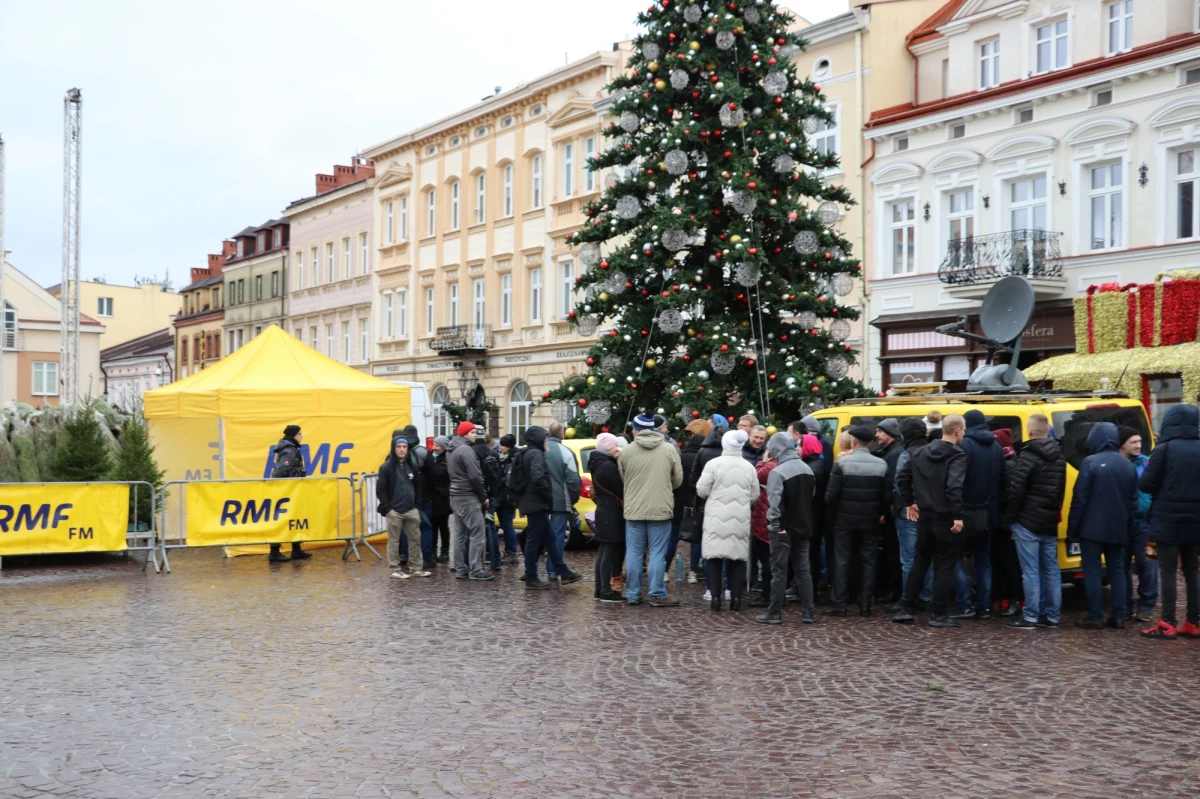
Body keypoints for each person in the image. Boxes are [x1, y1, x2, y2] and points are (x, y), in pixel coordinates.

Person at [892, 413, 968, 628]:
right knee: (945, 564)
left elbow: (902, 478)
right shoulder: (957, 455)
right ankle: (938, 613)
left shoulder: (919, 452)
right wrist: (957, 515)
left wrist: (909, 502)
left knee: (920, 561)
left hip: (925, 515)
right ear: (958, 431)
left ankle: (906, 607)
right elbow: (954, 486)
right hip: (945, 516)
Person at [1067, 422, 1136, 629]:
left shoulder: (1090, 462)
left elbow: (1080, 498)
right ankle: (1119, 615)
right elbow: (1133, 502)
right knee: (1118, 571)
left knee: (1092, 571)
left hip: (1092, 528)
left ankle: (1095, 616)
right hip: (1119, 528)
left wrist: (1074, 529)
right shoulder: (1127, 465)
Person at [1139, 404, 1200, 639]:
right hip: (1196, 519)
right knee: (1192, 570)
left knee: (1167, 570)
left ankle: (1167, 622)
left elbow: (1145, 483)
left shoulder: (1164, 449)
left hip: (1168, 518)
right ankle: (1193, 622)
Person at [1004, 414, 1065, 629]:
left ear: (1030, 432)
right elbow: (1060, 492)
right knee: (1051, 569)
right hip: (1048, 519)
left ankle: (1030, 615)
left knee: (1030, 570)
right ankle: (1052, 616)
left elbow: (1017, 491)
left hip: (1027, 521)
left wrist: (1010, 518)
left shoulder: (1027, 456)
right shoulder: (1060, 456)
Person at [619, 413, 684, 607]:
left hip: (634, 508)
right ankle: (657, 593)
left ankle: (632, 594)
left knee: (634, 552)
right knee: (657, 552)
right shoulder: (669, 449)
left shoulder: (627, 451)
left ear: (637, 430)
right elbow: (678, 479)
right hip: (660, 508)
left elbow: (624, 477)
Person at [824, 426, 889, 617]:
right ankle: (865, 604)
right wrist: (882, 513)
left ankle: (839, 603)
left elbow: (830, 496)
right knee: (869, 560)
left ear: (853, 442)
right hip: (870, 519)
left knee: (842, 560)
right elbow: (887, 496)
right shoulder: (881, 464)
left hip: (844, 520)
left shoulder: (843, 464)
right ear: (870, 442)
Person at [755, 432, 817, 625]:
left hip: (782, 529)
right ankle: (808, 612)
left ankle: (774, 612)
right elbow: (811, 498)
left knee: (779, 571)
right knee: (803, 570)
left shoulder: (777, 472)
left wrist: (775, 524)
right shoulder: (808, 469)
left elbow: (775, 503)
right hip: (804, 526)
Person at [950, 409, 1006, 620]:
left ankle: (965, 603)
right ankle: (984, 606)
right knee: (984, 561)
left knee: (953, 557)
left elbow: (957, 481)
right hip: (988, 514)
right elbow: (1002, 482)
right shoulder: (997, 447)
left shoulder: (964, 446)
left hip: (964, 512)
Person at [696, 430, 760, 611]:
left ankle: (715, 597)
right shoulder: (749, 467)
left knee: (714, 557)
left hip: (715, 515)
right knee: (737, 558)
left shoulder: (713, 464)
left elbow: (701, 490)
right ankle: (736, 599)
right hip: (740, 516)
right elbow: (755, 494)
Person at [515, 427, 581, 589]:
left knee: (550, 538)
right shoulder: (536, 454)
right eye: (544, 439)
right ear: (538, 439)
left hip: (532, 502)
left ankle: (563, 571)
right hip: (537, 503)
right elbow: (538, 478)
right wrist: (548, 496)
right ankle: (531, 576)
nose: (547, 441)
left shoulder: (525, 452)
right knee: (534, 540)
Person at [1118, 427, 1158, 623]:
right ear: (1122, 444)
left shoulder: (1147, 463)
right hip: (1123, 523)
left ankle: (1146, 605)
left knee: (1148, 564)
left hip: (1145, 523)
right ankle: (1126, 606)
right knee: (1122, 565)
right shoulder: (1117, 464)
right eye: (1133, 441)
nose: (1138, 445)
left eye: (1139, 441)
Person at [377, 435, 430, 579]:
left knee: (415, 539)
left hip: (411, 509)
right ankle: (394, 569)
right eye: (399, 447)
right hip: (394, 511)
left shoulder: (411, 465)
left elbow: (418, 485)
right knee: (394, 541)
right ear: (394, 448)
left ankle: (415, 568)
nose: (401, 450)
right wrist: (388, 508)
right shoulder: (386, 467)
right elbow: (380, 489)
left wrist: (417, 505)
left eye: (404, 447)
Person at [446, 421, 494, 582]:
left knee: (459, 534)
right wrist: (483, 496)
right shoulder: (466, 450)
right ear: (465, 434)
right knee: (477, 533)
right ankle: (476, 569)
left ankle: (460, 569)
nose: (475, 435)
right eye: (472, 432)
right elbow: (475, 476)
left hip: (455, 496)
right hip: (468, 496)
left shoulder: (451, 449)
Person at [892, 418, 932, 609]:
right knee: (927, 557)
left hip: (908, 512)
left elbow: (900, 482)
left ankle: (909, 598)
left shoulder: (906, 454)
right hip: (930, 510)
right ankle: (926, 596)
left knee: (909, 558)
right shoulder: (933, 451)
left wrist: (910, 502)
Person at [990, 428, 1023, 618]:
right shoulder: (1010, 462)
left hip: (1004, 523)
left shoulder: (1008, 465)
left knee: (1006, 562)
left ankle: (1013, 599)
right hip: (1005, 522)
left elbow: (1008, 497)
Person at [589, 433, 626, 603]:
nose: (616, 448)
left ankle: (599, 589)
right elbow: (621, 488)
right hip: (611, 511)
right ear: (608, 447)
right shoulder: (607, 466)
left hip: (604, 510)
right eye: (614, 445)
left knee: (603, 551)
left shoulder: (598, 463)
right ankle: (604, 590)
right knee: (608, 551)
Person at [675, 419, 713, 583]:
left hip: (677, 503)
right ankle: (692, 572)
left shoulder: (680, 457)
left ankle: (663, 570)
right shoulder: (703, 458)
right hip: (696, 503)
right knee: (696, 538)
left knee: (672, 538)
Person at [268, 424, 311, 563]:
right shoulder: (289, 450)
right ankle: (274, 552)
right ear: (294, 436)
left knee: (294, 518)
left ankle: (296, 549)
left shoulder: (291, 448)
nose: (301, 436)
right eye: (299, 434)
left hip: (291, 489)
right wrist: (279, 487)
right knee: (283, 520)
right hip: (287, 490)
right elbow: (280, 470)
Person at [544, 422, 582, 581]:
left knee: (538, 535)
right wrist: (573, 499)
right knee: (558, 536)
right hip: (560, 500)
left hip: (540, 500)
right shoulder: (565, 452)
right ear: (562, 433)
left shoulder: (539, 450)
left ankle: (533, 570)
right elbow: (573, 479)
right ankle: (553, 570)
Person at [873, 418, 903, 605]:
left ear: (890, 433)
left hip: (892, 512)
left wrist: (885, 511)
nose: (876, 435)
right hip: (890, 510)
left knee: (893, 553)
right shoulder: (889, 452)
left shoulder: (895, 454)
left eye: (880, 431)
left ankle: (893, 590)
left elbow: (889, 485)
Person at [749, 450, 777, 606]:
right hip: (771, 516)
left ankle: (767, 595)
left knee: (765, 558)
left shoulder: (771, 465)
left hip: (765, 517)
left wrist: (762, 461)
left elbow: (755, 476)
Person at [422, 437, 452, 569]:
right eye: (434, 444)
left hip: (443, 498)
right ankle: (433, 550)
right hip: (432, 497)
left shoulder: (447, 460)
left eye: (437, 445)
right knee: (432, 526)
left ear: (444, 447)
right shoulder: (429, 458)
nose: (434, 447)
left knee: (443, 526)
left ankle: (445, 550)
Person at [494, 434, 522, 565]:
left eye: (504, 445)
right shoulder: (503, 456)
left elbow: (509, 479)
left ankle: (511, 552)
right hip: (501, 495)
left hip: (508, 497)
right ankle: (509, 551)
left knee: (507, 525)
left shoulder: (514, 458)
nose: (501, 447)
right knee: (504, 524)